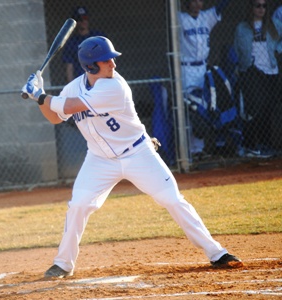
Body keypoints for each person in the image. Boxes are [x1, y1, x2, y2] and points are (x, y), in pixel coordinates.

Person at [21, 36, 244, 279]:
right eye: (106, 61)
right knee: (78, 205)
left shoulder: (115, 86)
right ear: (90, 66)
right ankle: (63, 264)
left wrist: (40, 96)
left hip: (138, 153)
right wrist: (40, 98)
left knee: (172, 199)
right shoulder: (73, 87)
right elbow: (55, 116)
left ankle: (217, 253)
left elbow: (70, 106)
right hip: (99, 160)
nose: (113, 65)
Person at [178, 0, 231, 160]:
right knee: (191, 108)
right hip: (186, 69)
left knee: (203, 107)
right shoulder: (179, 18)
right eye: (193, 1)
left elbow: (221, 6)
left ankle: (198, 150)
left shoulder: (206, 17)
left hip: (202, 68)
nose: (197, 4)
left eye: (199, 0)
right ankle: (190, 151)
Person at [234, 0, 282, 158]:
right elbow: (237, 48)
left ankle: (266, 144)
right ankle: (252, 144)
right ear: (251, 8)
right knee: (256, 107)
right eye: (257, 5)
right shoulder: (243, 27)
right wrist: (241, 67)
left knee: (269, 108)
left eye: (264, 6)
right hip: (252, 70)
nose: (261, 9)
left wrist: (278, 50)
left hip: (271, 70)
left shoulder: (274, 24)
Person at [62, 6, 106, 83]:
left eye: (85, 18)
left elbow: (107, 59)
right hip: (81, 81)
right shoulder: (71, 42)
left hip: (99, 79)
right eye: (80, 19)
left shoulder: (97, 37)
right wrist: (71, 85)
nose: (83, 21)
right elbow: (69, 67)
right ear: (75, 22)